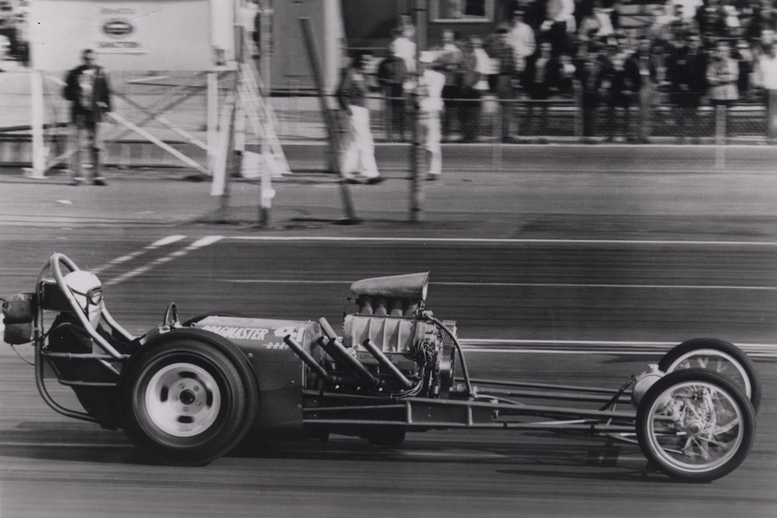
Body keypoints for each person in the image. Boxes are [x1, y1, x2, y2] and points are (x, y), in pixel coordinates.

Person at [63, 49, 111, 186]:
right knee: (79, 146)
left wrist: (106, 111)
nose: (89, 61)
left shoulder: (101, 73)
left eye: (92, 59)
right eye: (87, 59)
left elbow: (105, 94)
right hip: (79, 114)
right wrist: (77, 93)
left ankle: (98, 176)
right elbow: (66, 94)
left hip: (96, 114)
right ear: (83, 59)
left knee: (97, 146)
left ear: (95, 59)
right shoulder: (73, 73)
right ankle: (78, 176)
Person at [336, 51, 383, 184]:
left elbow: (373, 88)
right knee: (364, 140)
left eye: (368, 61)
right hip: (354, 109)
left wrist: (383, 81)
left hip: (362, 110)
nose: (366, 63)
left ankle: (347, 173)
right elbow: (341, 92)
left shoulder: (363, 75)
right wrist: (347, 108)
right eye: (364, 60)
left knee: (354, 142)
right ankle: (371, 172)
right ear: (358, 60)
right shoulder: (351, 72)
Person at [666, 32, 707, 141]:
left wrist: (702, 91)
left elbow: (704, 74)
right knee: (681, 114)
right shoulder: (679, 53)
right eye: (690, 41)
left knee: (695, 114)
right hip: (681, 90)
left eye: (695, 41)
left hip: (696, 90)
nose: (692, 43)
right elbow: (674, 71)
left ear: (699, 42)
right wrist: (680, 83)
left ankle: (696, 137)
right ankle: (680, 136)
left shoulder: (703, 56)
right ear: (687, 42)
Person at [417, 51, 446, 180]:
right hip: (422, 112)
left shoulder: (437, 76)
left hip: (430, 112)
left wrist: (419, 89)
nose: (423, 65)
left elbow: (430, 92)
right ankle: (428, 170)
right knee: (424, 144)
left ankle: (434, 171)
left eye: (425, 63)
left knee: (431, 143)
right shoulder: (418, 77)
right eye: (422, 63)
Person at [377, 36, 409, 142]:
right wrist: (386, 81)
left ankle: (401, 135)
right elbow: (379, 78)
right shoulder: (383, 64)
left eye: (392, 52)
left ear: (395, 52)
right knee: (389, 115)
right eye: (388, 52)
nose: (390, 54)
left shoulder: (401, 61)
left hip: (400, 90)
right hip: (388, 91)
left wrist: (401, 81)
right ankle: (389, 137)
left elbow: (405, 75)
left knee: (400, 114)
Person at [706, 39, 739, 137]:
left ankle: (727, 133)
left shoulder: (734, 62)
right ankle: (714, 133)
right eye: (720, 51)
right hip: (716, 93)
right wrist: (724, 79)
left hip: (729, 93)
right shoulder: (712, 64)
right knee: (715, 114)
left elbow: (735, 76)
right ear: (717, 52)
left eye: (725, 51)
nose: (722, 53)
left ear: (728, 52)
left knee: (727, 114)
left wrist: (719, 78)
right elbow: (709, 77)